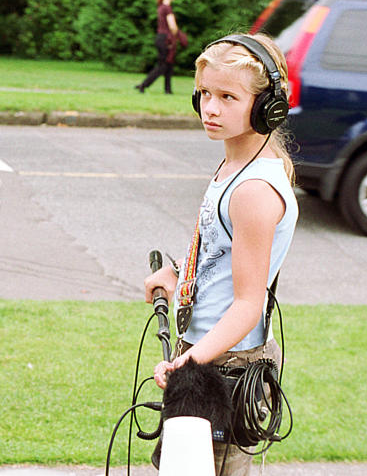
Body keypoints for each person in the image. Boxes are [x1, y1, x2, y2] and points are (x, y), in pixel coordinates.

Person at [144, 33, 298, 476]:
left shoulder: (253, 189)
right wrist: (180, 277)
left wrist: (188, 362)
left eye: (228, 97)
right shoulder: (235, 165)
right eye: (205, 94)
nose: (211, 108)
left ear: (267, 106)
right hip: (209, 352)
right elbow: (222, 254)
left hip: (226, 363)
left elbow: (248, 304)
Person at [136, 0, 186, 94]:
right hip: (166, 39)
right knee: (163, 66)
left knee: (169, 64)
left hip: (161, 38)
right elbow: (172, 26)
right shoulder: (167, 8)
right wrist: (178, 36)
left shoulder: (161, 7)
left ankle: (168, 90)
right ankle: (143, 85)